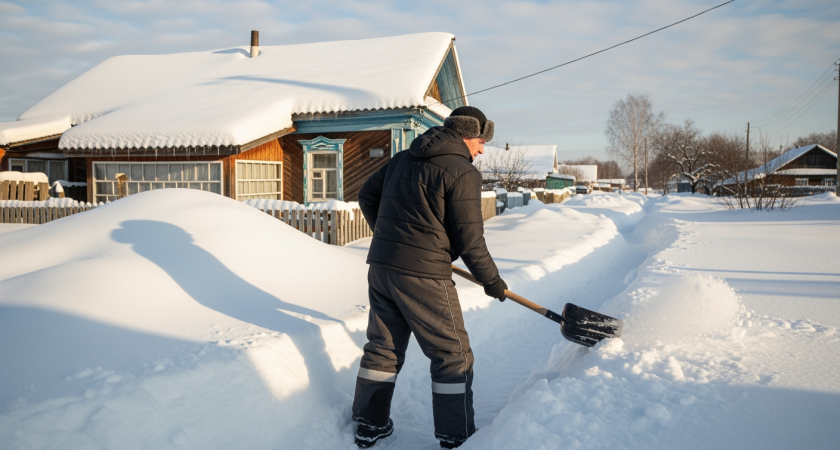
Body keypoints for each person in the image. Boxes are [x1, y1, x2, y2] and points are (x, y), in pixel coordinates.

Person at [352, 106, 508, 448]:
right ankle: (457, 436)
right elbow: (470, 239)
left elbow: (366, 194)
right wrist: (492, 281)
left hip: (382, 267)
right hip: (424, 274)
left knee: (383, 347)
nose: (482, 149)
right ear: (468, 135)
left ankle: (369, 424)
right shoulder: (462, 172)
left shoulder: (403, 158)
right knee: (453, 355)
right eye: (482, 140)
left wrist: (392, 238)